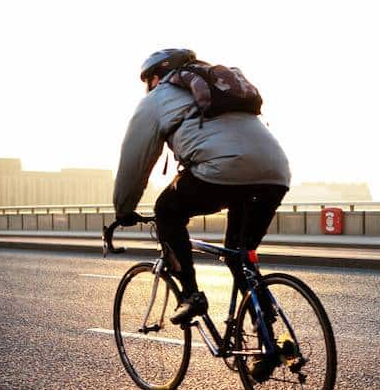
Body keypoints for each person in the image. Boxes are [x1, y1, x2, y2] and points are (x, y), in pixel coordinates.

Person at [113, 48, 291, 326]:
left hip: (223, 169)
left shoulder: (157, 98)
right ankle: (268, 331)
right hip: (275, 172)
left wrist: (123, 210)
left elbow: (134, 160)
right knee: (239, 253)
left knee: (167, 211)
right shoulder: (221, 87)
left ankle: (190, 296)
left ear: (155, 77)